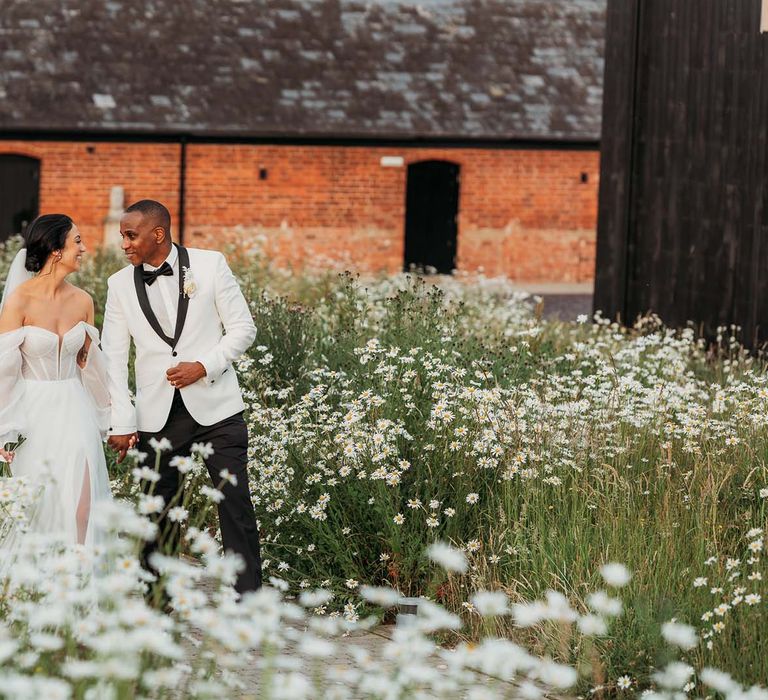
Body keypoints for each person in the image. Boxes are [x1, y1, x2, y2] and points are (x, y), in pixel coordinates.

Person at [102, 199, 262, 596]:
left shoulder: (210, 265)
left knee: (235, 506)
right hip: (156, 416)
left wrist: (204, 365)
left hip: (217, 409)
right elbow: (114, 358)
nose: (124, 244)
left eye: (130, 235)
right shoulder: (119, 285)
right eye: (123, 235)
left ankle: (249, 603)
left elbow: (243, 329)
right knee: (158, 512)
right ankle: (157, 599)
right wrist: (122, 422)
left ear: (158, 234)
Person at [0, 214, 111, 549]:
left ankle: (79, 580)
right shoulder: (20, 300)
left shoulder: (84, 301)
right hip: (32, 413)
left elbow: (92, 368)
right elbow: (4, 370)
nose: (84, 248)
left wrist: (113, 418)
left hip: (76, 407)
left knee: (82, 508)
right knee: (39, 508)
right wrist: (3, 429)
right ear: (54, 248)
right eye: (77, 241)